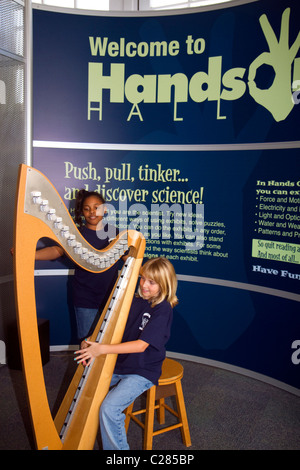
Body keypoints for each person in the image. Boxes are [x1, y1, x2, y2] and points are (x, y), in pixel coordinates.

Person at [74, 257, 178, 450]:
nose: (144, 285)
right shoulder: (136, 300)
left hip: (142, 370)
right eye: (142, 279)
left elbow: (140, 346)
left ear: (164, 285)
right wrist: (91, 340)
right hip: (120, 363)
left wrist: (101, 349)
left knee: (109, 408)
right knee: (84, 389)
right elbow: (111, 326)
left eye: (151, 282)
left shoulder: (163, 310)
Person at [34, 189, 121, 343]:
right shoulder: (76, 234)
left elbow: (129, 256)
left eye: (96, 207)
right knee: (86, 343)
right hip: (85, 298)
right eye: (87, 209)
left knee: (109, 344)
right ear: (81, 211)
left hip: (111, 298)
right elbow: (56, 250)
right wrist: (30, 254)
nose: (92, 212)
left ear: (105, 209)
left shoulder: (114, 232)